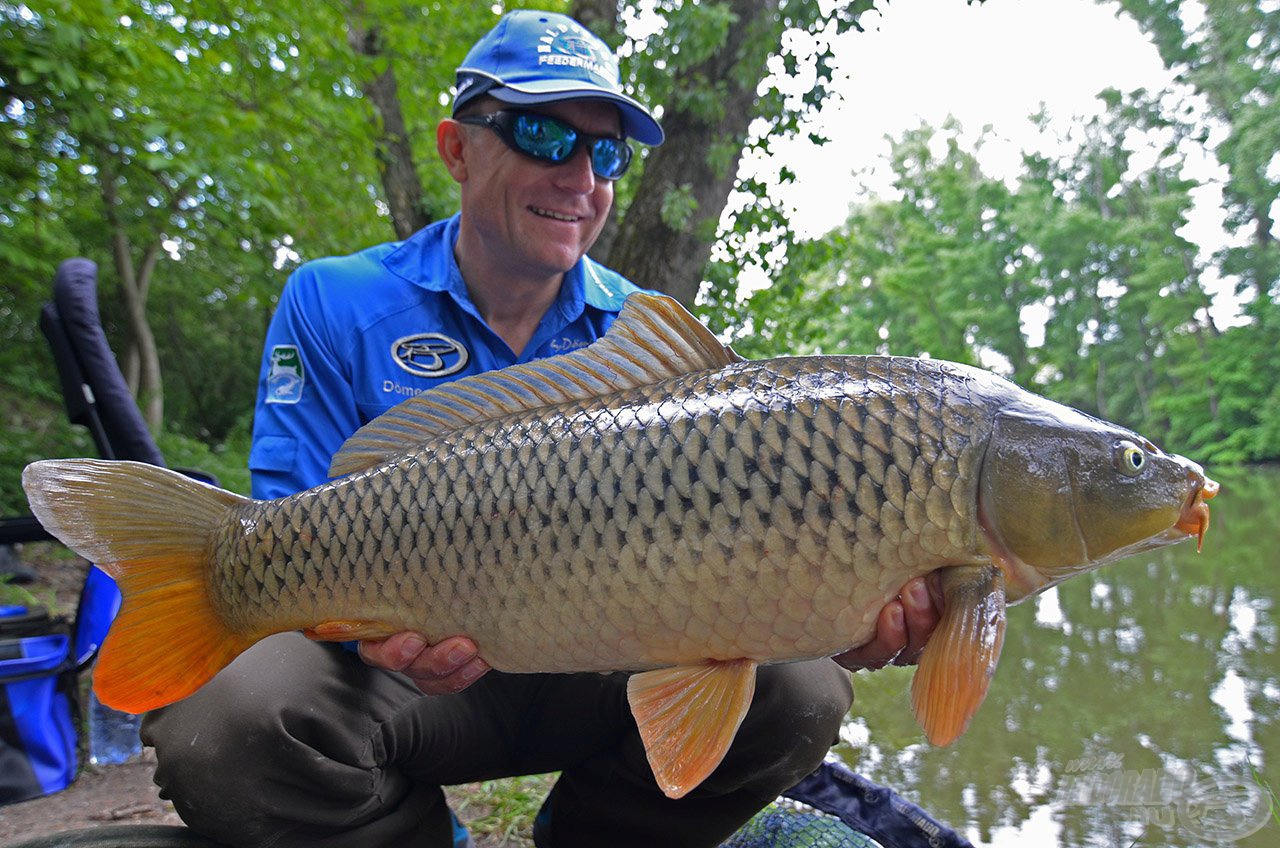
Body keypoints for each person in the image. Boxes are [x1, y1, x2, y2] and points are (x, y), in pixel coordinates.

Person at [142, 10, 941, 848]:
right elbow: (293, 516)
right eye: (543, 135)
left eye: (607, 153)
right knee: (226, 726)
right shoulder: (333, 299)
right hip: (399, 680)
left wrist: (830, 613)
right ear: (457, 148)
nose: (581, 177)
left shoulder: (647, 334)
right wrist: (373, 629)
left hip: (595, 661)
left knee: (802, 692)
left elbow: (733, 552)